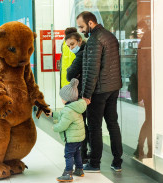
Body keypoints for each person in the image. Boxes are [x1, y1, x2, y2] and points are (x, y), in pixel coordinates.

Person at [76, 11, 123, 172]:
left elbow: (92, 70)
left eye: (82, 26)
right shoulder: (110, 36)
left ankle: (94, 163)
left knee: (95, 127)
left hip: (98, 91)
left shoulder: (94, 40)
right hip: (113, 88)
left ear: (90, 23)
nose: (81, 30)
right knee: (113, 124)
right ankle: (117, 161)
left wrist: (86, 94)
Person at [46, 78, 87, 182]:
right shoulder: (75, 107)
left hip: (71, 138)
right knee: (77, 152)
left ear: (67, 98)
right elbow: (61, 115)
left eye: (62, 97)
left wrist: (54, 127)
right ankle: (79, 169)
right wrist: (52, 114)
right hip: (78, 137)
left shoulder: (68, 110)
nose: (61, 99)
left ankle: (68, 173)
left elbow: (63, 125)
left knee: (68, 155)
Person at [65, 27, 90, 164]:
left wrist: (73, 72)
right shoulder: (84, 51)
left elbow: (70, 74)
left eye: (72, 44)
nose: (70, 48)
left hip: (83, 94)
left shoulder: (81, 54)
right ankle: (85, 154)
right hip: (84, 92)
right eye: (68, 46)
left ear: (80, 41)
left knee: (82, 124)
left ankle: (84, 155)